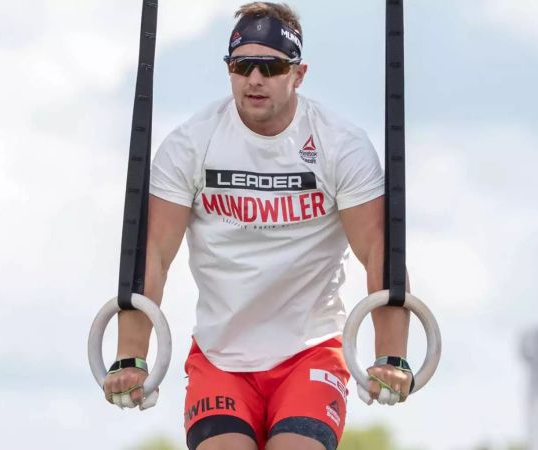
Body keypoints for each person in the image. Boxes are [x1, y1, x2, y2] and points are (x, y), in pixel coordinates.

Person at [104, 3, 413, 450]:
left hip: (309, 351)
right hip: (221, 358)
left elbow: (379, 248)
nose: (254, 79)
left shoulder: (339, 145)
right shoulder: (191, 144)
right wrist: (130, 356)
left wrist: (391, 354)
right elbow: (152, 252)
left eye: (270, 66)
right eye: (242, 65)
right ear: (228, 69)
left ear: (299, 74)